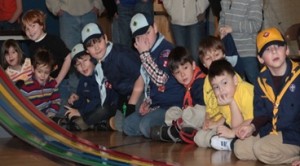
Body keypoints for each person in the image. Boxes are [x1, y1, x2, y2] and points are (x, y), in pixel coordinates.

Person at [233, 27, 300, 165]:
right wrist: (251, 127)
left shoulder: (298, 76)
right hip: (272, 132)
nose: (274, 51)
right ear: (260, 58)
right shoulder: (260, 80)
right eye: (267, 50)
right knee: (240, 148)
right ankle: (274, 154)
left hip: (294, 135)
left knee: (261, 149)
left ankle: (293, 157)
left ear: (286, 50)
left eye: (278, 47)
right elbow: (262, 113)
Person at [123, 12, 185, 138]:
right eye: (139, 37)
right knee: (128, 125)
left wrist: (145, 55)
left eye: (147, 32)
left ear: (155, 28)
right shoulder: (148, 53)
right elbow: (149, 85)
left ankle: (175, 129)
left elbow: (160, 79)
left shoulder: (166, 50)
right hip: (157, 105)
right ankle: (158, 131)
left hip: (172, 105)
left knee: (145, 126)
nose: (145, 39)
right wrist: (147, 104)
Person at [81, 22, 144, 128]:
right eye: (91, 46)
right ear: (87, 51)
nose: (97, 48)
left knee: (130, 126)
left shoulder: (120, 55)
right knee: (119, 125)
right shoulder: (101, 63)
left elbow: (142, 75)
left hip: (143, 92)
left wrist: (131, 105)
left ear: (105, 38)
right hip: (125, 96)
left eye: (99, 41)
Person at [193, 36, 246, 148]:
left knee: (204, 137)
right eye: (208, 58)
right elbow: (208, 106)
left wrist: (218, 123)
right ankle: (221, 141)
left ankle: (230, 142)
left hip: (233, 118)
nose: (214, 60)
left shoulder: (231, 76)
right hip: (216, 119)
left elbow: (236, 106)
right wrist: (207, 120)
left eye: (216, 55)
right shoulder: (207, 81)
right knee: (198, 138)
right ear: (203, 64)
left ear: (223, 55)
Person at [194, 59, 254, 151]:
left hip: (259, 127)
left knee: (242, 148)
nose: (221, 90)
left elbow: (252, 120)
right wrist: (216, 123)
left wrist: (232, 132)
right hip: (239, 127)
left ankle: (230, 143)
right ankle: (228, 143)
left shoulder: (245, 91)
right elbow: (234, 122)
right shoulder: (223, 98)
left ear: (235, 80)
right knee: (199, 138)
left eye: (225, 83)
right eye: (216, 87)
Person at [21, 9, 72, 117]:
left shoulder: (53, 40)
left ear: (42, 25)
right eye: (27, 29)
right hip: (43, 85)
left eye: (33, 26)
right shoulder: (31, 47)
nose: (30, 31)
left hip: (61, 83)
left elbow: (68, 57)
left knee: (61, 111)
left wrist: (58, 79)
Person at [150, 46, 206, 143]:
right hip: (189, 118)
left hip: (205, 115)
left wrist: (186, 114)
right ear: (174, 75)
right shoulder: (187, 85)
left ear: (193, 65)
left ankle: (176, 131)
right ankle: (182, 131)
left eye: (185, 68)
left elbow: (202, 109)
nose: (182, 74)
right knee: (171, 112)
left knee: (193, 112)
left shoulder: (199, 82)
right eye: (177, 72)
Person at [63, 43, 118, 131]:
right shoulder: (83, 79)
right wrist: (77, 99)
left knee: (103, 109)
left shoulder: (102, 73)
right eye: (78, 64)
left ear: (92, 59)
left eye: (85, 60)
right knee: (73, 109)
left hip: (110, 106)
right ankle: (97, 124)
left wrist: (80, 112)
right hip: (94, 108)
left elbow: (99, 100)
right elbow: (83, 101)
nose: (82, 66)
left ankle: (82, 123)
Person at [218, 0, 263, 84]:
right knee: (234, 84)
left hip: (247, 51)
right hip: (230, 51)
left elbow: (256, 24)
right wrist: (221, 29)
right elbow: (222, 16)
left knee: (256, 83)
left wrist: (233, 28)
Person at [162, 0, 208, 65]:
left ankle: (196, 75)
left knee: (196, 56)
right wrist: (171, 10)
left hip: (196, 21)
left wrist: (199, 8)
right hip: (176, 22)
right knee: (181, 57)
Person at [20, 49, 60, 120]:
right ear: (33, 69)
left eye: (46, 73)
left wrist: (51, 114)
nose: (43, 75)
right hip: (32, 118)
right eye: (39, 71)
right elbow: (21, 105)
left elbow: (56, 101)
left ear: (50, 71)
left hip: (48, 117)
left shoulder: (52, 83)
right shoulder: (26, 87)